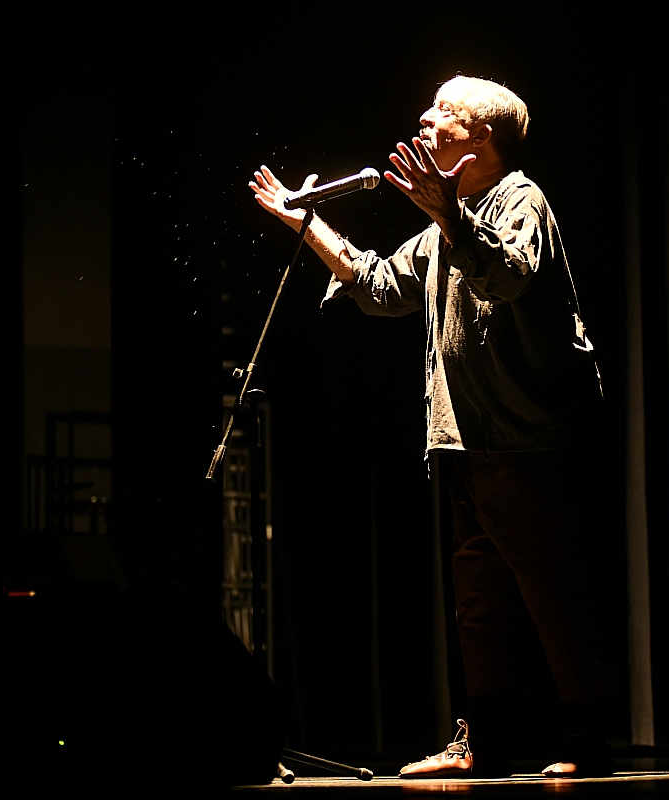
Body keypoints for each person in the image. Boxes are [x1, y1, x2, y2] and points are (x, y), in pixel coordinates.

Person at [250, 75, 609, 778]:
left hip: (529, 441)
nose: (424, 115)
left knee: (551, 596)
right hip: (463, 442)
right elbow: (380, 286)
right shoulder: (453, 218)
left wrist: (451, 216)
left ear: (481, 138)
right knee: (477, 604)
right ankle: (484, 740)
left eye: (446, 110)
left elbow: (507, 275)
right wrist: (305, 222)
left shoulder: (519, 200)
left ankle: (588, 739)